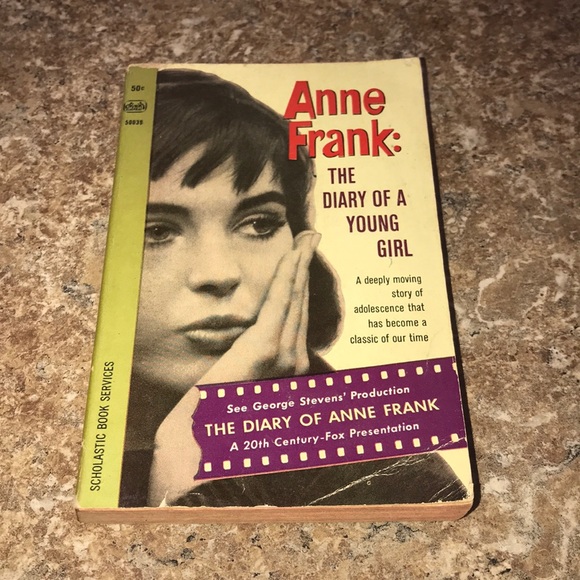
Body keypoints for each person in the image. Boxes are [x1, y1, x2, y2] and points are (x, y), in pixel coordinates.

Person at [120, 69, 466, 508]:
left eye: (259, 223)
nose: (219, 274)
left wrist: (198, 441)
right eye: (157, 231)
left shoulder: (396, 477)